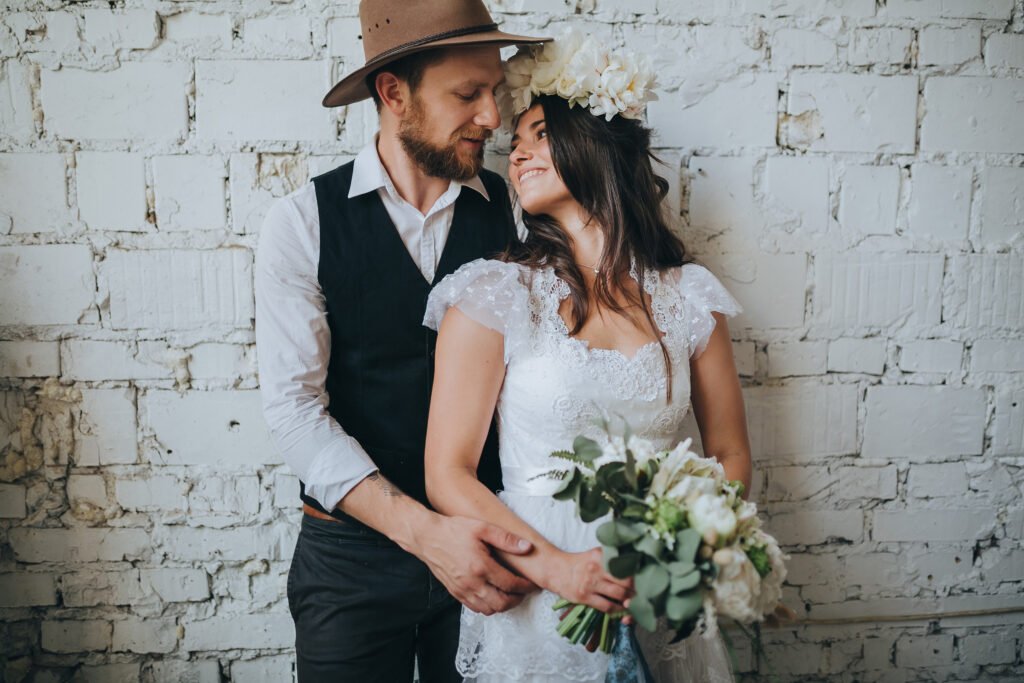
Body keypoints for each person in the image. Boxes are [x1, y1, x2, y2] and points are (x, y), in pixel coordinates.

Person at [422, 33, 751, 682]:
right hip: (536, 591)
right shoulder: (494, 294)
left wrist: (686, 547)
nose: (515, 151)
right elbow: (448, 473)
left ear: (593, 142)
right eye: (514, 142)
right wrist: (555, 564)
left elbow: (731, 452)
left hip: (657, 591)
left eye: (538, 133)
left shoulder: (690, 300)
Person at [254, 1, 549, 680]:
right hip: (350, 563)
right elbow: (295, 413)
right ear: (394, 93)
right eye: (467, 94)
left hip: (491, 547)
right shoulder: (300, 224)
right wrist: (426, 534)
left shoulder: (514, 212)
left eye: (495, 92)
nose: (493, 118)